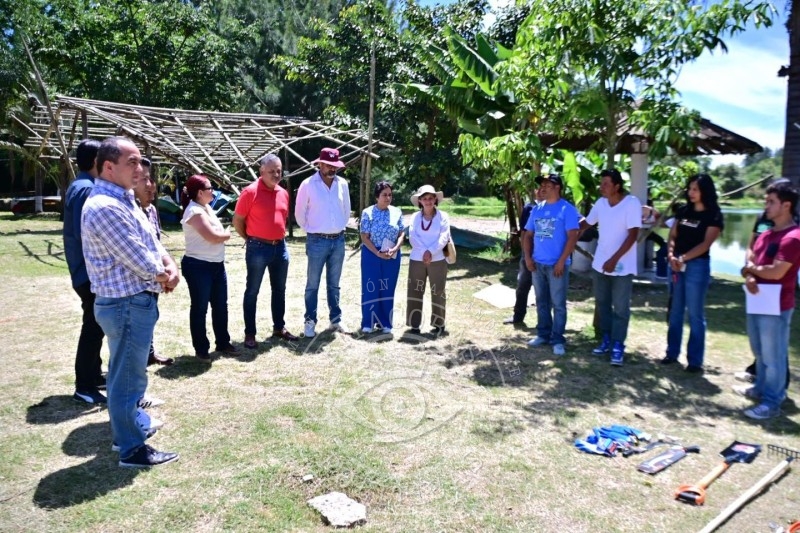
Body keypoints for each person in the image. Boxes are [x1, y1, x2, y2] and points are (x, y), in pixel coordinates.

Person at [82, 136, 180, 468]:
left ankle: (125, 435)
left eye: (140, 161)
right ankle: (131, 449)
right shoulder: (105, 206)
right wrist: (165, 275)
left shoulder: (122, 200)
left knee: (128, 374)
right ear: (109, 167)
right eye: (132, 162)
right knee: (126, 378)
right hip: (126, 304)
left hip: (132, 302)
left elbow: (151, 241)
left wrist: (169, 264)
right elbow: (138, 258)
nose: (139, 169)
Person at [736, 181, 800, 420]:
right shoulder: (766, 234)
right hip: (757, 299)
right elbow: (753, 260)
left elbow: (776, 272)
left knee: (774, 356)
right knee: (760, 351)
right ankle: (760, 389)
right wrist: (750, 275)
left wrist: (751, 270)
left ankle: (773, 401)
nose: (766, 206)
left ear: (786, 205)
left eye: (771, 202)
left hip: (777, 305)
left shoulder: (793, 237)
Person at [233, 154, 298, 348]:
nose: (276, 175)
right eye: (272, 171)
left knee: (279, 289)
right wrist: (250, 239)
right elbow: (237, 221)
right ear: (261, 171)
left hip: (280, 247)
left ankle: (279, 327)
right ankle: (250, 333)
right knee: (252, 291)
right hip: (258, 248)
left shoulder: (283, 193)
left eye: (279, 171)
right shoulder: (249, 192)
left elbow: (282, 218)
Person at [661, 174, 723, 373]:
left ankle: (695, 361)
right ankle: (672, 353)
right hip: (676, 265)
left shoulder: (713, 215)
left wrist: (683, 258)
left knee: (695, 314)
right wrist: (671, 255)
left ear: (705, 191)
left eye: (695, 189)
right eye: (690, 189)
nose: (691, 192)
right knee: (676, 311)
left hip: (697, 266)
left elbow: (706, 244)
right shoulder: (683, 211)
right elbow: (673, 235)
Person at [579, 169, 642, 366]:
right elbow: (586, 223)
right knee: (603, 304)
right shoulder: (600, 203)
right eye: (601, 183)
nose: (601, 187)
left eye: (606, 183)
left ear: (617, 186)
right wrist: (567, 226)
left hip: (622, 267)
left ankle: (618, 345)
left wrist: (614, 259)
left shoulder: (631, 203)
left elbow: (633, 235)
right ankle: (606, 339)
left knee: (621, 308)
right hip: (600, 266)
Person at [63, 139, 107, 404]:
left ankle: (94, 375)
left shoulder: (80, 184)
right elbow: (88, 234)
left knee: (96, 325)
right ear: (95, 161)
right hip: (89, 272)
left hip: (84, 271)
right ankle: (84, 385)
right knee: (93, 327)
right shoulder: (87, 189)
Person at [294, 147, 351, 338]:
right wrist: (313, 230)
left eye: (335, 165)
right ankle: (310, 321)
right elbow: (299, 214)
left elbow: (346, 210)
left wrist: (338, 227)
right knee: (313, 284)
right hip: (317, 240)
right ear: (319, 164)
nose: (332, 169)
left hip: (338, 239)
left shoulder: (342, 184)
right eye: (328, 165)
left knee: (334, 284)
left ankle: (336, 319)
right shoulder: (308, 184)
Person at [522, 174, 581, 356]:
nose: (543, 188)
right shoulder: (537, 209)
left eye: (547, 185)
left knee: (558, 304)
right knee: (541, 301)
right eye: (542, 185)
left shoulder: (567, 209)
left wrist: (562, 261)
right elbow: (528, 235)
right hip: (538, 264)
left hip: (557, 265)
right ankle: (543, 334)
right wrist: (528, 258)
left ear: (557, 188)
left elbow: (573, 236)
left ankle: (558, 339)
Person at [181, 175, 238, 361]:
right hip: (198, 266)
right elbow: (212, 237)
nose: (213, 191)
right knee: (200, 308)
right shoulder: (194, 211)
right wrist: (227, 235)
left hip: (215, 265)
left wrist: (222, 235)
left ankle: (223, 342)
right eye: (210, 188)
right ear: (200, 192)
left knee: (220, 306)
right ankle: (201, 348)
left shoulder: (206, 208)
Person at [133, 158, 174, 367]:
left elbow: (156, 244)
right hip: (138, 276)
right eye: (145, 180)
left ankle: (149, 353)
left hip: (155, 275)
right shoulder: (128, 213)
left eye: (151, 180)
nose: (151, 186)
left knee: (151, 315)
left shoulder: (151, 211)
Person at [359, 181, 405, 334]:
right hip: (372, 254)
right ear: (377, 197)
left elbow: (402, 234)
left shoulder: (397, 212)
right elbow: (364, 237)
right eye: (384, 195)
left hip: (391, 254)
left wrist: (395, 248)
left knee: (387, 288)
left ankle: (385, 323)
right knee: (371, 287)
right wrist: (377, 252)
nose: (388, 198)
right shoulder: (367, 212)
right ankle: (368, 322)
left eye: (390, 195)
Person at [406, 185, 451, 335]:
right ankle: (414, 325)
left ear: (435, 199)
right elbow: (412, 236)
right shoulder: (415, 217)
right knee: (415, 290)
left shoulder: (443, 216)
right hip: (417, 258)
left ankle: (439, 323)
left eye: (430, 198)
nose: (428, 201)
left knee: (438, 291)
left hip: (438, 259)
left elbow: (444, 236)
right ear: (420, 201)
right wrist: (424, 252)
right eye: (424, 198)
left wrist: (430, 251)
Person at [503, 183, 545, 325]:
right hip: (528, 254)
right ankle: (518, 316)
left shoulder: (552, 209)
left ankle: (544, 322)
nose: (540, 191)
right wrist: (525, 255)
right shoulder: (529, 208)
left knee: (543, 291)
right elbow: (523, 233)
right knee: (522, 286)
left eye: (544, 189)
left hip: (544, 256)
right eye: (538, 188)